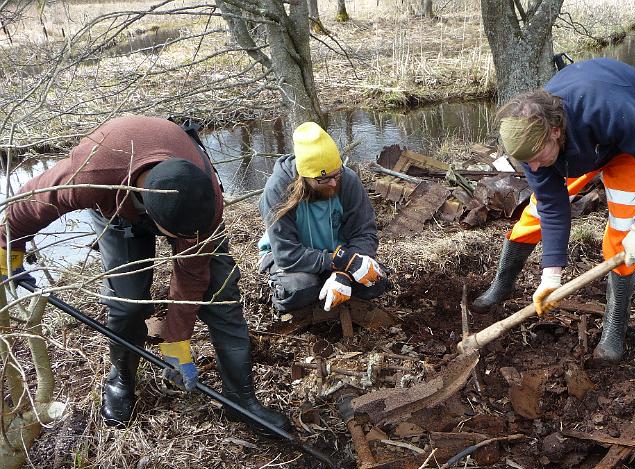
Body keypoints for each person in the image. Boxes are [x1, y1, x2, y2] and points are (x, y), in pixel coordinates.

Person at [0, 116, 291, 433]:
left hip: (186, 195)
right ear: (156, 220)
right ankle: (121, 379)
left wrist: (176, 341)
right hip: (116, 210)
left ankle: (241, 400)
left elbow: (192, 275)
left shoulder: (204, 198)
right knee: (128, 304)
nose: (185, 243)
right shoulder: (92, 173)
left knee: (221, 296)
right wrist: (7, 247)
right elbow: (33, 200)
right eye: (180, 236)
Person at [473, 58, 635, 364]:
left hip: (624, 147)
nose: (532, 168)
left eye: (535, 158)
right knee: (533, 217)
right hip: (573, 153)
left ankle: (614, 327)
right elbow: (553, 206)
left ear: (555, 130)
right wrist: (551, 276)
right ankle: (501, 285)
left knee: (624, 231)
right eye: (526, 163)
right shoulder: (532, 149)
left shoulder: (610, 108)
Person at [258, 122, 389, 313]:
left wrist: (343, 274)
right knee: (300, 289)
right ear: (305, 177)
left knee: (375, 283)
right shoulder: (278, 189)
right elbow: (287, 253)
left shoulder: (347, 180)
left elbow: (364, 233)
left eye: (337, 173)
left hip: (338, 253)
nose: (334, 182)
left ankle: (333, 285)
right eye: (324, 178)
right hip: (292, 260)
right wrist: (339, 262)